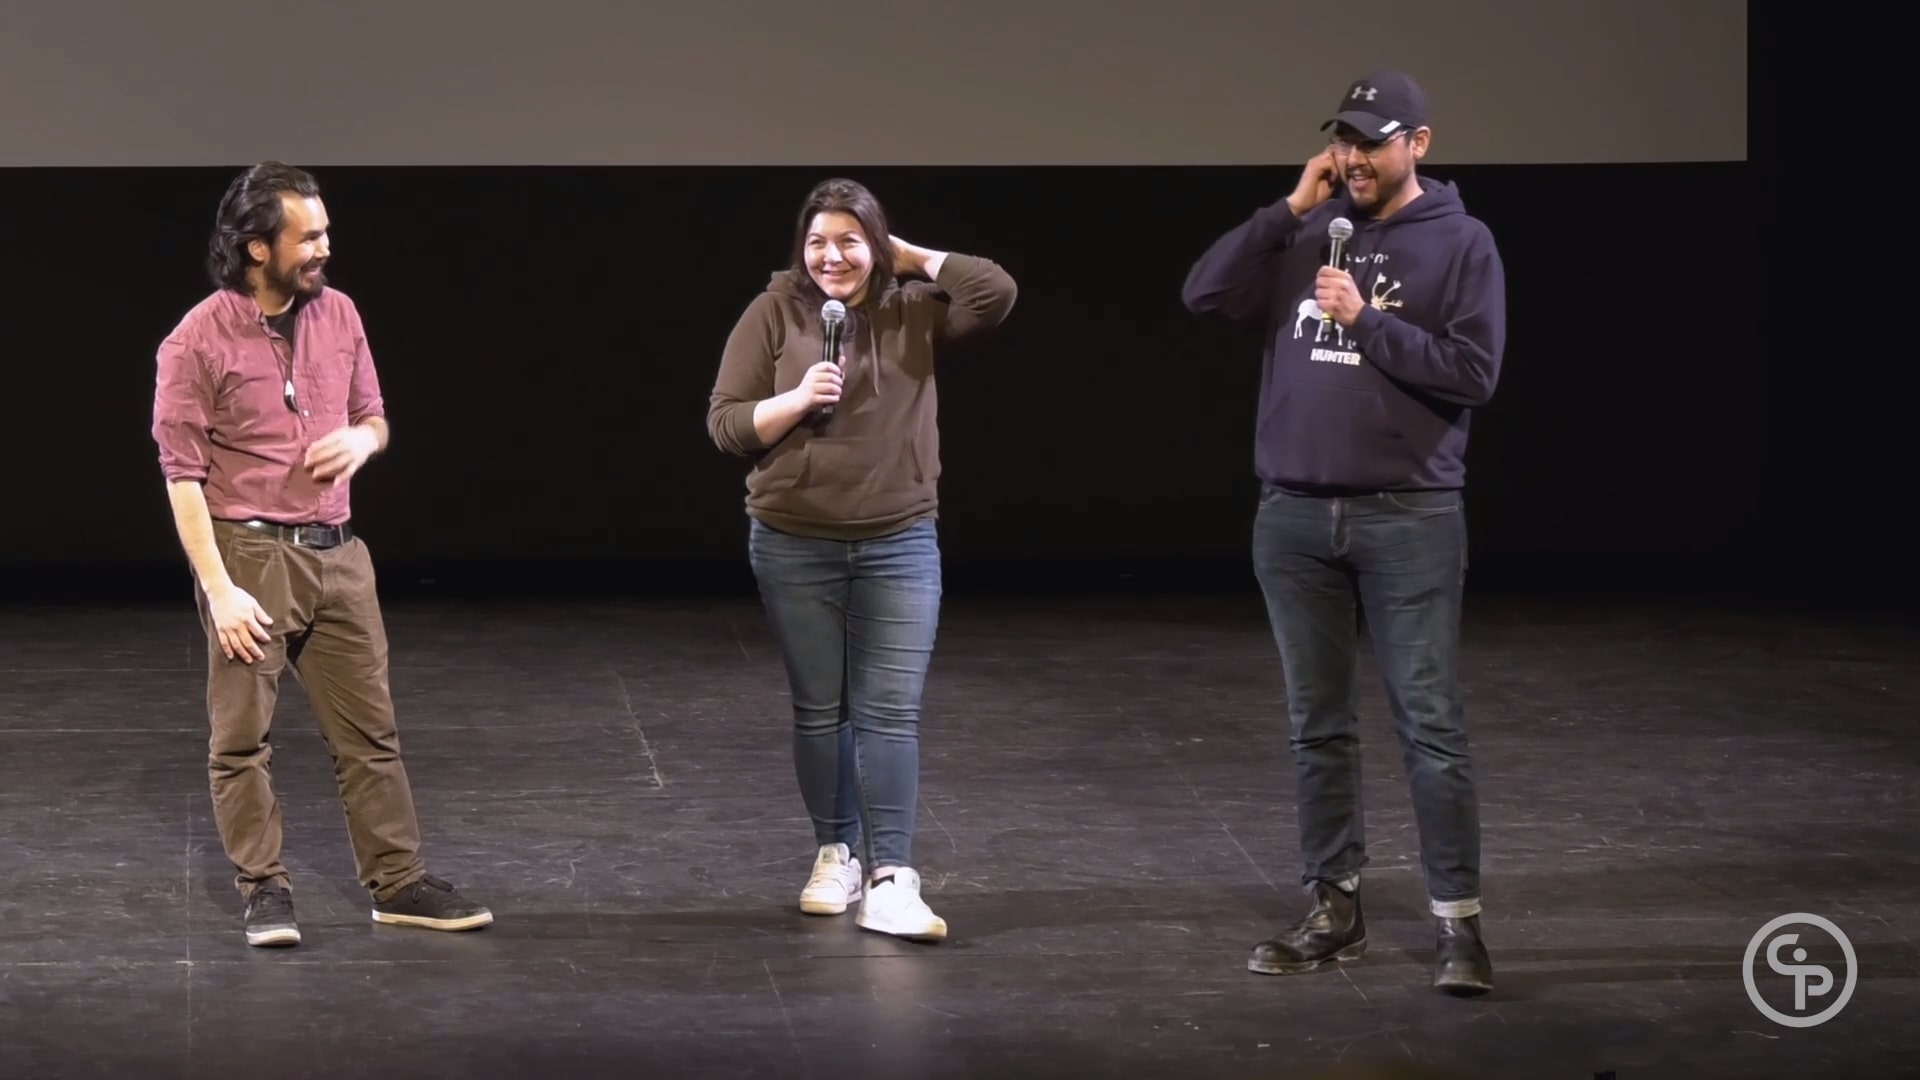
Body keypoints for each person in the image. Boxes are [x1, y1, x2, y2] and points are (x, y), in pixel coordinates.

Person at [1180, 72, 1506, 995]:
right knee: (1316, 727)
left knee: (1430, 727)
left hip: (1409, 517)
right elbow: (1204, 294)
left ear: (1420, 144)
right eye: (1345, 141)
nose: (1355, 157)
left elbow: (1474, 372)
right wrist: (1286, 208)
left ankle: (1459, 927)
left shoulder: (1462, 243)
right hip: (1291, 517)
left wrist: (1366, 323)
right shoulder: (1307, 234)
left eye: (1374, 140)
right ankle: (1334, 906)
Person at [150, 161, 493, 947]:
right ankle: (264, 889)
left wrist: (361, 444)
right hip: (251, 556)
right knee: (241, 740)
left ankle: (398, 882)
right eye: (309, 235)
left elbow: (375, 415)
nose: (324, 248)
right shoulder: (195, 341)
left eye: (326, 231)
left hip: (339, 555)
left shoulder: (340, 314)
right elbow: (182, 478)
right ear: (257, 247)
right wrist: (220, 590)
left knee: (371, 735)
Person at [706, 177, 1017, 942]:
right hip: (792, 541)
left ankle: (892, 877)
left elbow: (995, 291)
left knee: (888, 713)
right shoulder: (773, 311)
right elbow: (725, 424)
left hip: (898, 539)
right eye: (816, 242)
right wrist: (795, 400)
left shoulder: (913, 308)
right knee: (821, 711)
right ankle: (836, 852)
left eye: (848, 240)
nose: (830, 256)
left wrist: (904, 256)